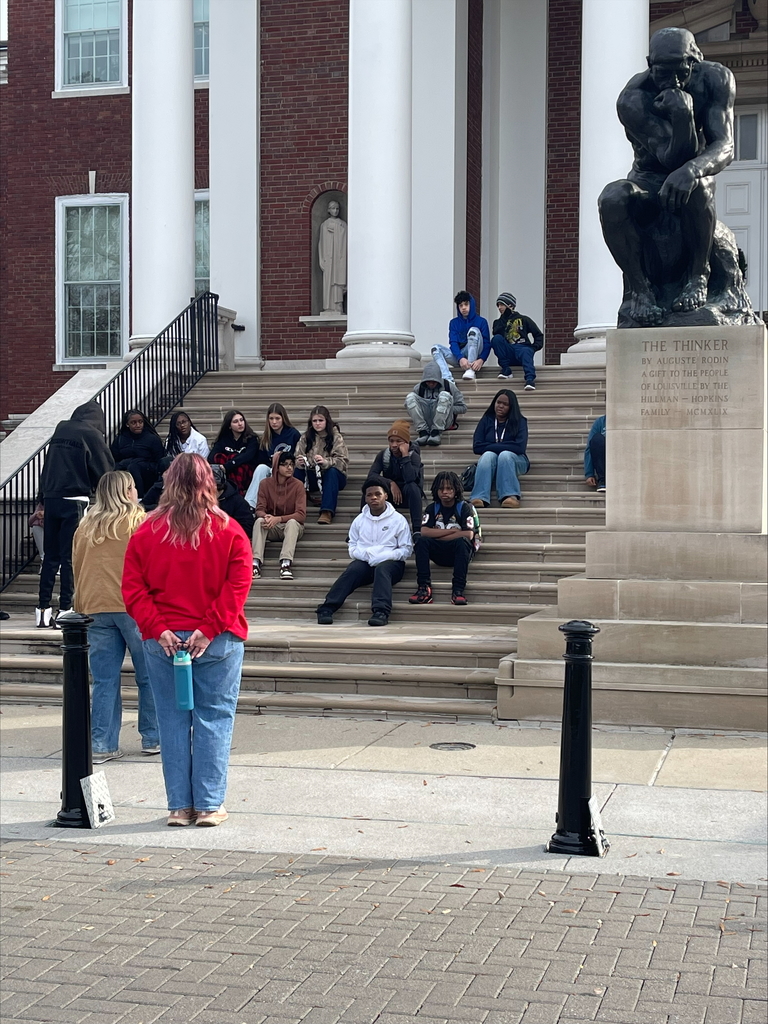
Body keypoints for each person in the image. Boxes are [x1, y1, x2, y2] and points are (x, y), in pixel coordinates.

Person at [122, 454, 252, 828]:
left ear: (168, 482)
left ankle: (179, 807)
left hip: (163, 638)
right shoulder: (229, 530)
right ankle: (209, 805)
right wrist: (209, 628)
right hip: (216, 639)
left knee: (171, 720)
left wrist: (157, 626)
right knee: (214, 718)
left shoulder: (146, 531)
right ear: (209, 483)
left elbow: (132, 587)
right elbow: (238, 585)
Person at [599, 28, 737, 325]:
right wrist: (683, 115)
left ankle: (698, 276)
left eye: (681, 72)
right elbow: (670, 157)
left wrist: (692, 169)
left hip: (692, 173)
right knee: (612, 198)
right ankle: (640, 290)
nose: (673, 81)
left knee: (698, 185)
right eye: (663, 73)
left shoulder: (716, 79)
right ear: (650, 64)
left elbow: (725, 146)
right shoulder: (632, 99)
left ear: (694, 61)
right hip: (648, 180)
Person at [72, 470, 159, 763]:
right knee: (149, 675)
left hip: (95, 605)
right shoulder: (139, 522)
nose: (136, 491)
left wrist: (80, 602)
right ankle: (153, 736)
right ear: (126, 492)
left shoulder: (85, 525)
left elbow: (76, 566)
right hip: (135, 606)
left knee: (104, 680)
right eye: (133, 487)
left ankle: (102, 743)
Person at [36, 400, 114, 628]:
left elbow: (48, 465)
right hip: (75, 499)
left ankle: (42, 609)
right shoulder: (90, 433)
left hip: (52, 497)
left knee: (50, 556)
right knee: (70, 556)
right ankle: (65, 609)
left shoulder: (61, 428)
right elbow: (105, 469)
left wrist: (41, 499)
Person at [316, 476, 412, 627]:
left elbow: (406, 549)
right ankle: (327, 608)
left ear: (386, 496)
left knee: (382, 569)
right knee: (353, 569)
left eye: (378, 494)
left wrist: (384, 556)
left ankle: (381, 612)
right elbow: (352, 545)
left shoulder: (398, 520)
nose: (374, 498)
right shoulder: (359, 520)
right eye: (369, 495)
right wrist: (366, 555)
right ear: (365, 498)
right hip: (366, 562)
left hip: (392, 564)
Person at [410, 471, 480, 607]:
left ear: (456, 490)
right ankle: (424, 587)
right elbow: (424, 532)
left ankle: (458, 590)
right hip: (439, 553)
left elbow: (468, 534)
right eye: (441, 489)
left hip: (459, 553)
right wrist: (453, 531)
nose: (445, 492)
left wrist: (438, 534)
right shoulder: (432, 508)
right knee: (421, 541)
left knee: (462, 542)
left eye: (449, 488)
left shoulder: (464, 508)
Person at [470, 389, 530, 509]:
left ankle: (510, 496)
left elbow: (519, 447)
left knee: (505, 455)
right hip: (492, 459)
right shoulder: (486, 420)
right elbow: (477, 447)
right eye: (498, 402)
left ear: (511, 407)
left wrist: (491, 446)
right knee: (487, 455)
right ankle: (479, 497)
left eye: (505, 404)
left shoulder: (520, 421)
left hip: (517, 460)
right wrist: (506, 445)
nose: (500, 406)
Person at [251, 451, 306, 580]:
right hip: (272, 527)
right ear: (276, 466)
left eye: (291, 464)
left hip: (292, 528)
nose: (289, 468)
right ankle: (255, 563)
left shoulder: (298, 485)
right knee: (259, 521)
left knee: (292, 522)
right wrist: (266, 517)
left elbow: (301, 515)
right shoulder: (265, 484)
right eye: (285, 464)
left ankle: (286, 564)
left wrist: (279, 519)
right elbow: (259, 509)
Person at [365, 420, 423, 534]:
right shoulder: (383, 455)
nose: (394, 445)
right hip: (389, 495)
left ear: (406, 442)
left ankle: (417, 529)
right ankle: (363, 525)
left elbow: (410, 478)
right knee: (370, 489)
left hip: (409, 496)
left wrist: (405, 456)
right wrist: (390, 483)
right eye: (391, 441)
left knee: (412, 486)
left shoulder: (414, 456)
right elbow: (371, 476)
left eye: (398, 441)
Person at [294, 405, 348, 524]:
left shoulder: (336, 437)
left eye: (320, 420)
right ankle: (294, 507)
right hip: (312, 475)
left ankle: (326, 511)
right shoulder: (305, 437)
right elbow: (297, 456)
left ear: (327, 421)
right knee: (296, 471)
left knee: (332, 472)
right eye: (315, 421)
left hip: (333, 477)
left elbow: (342, 462)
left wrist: (325, 462)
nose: (317, 423)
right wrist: (300, 462)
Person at [244, 404, 301, 509]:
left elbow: (298, 455)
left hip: (288, 469)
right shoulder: (266, 437)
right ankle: (249, 505)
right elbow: (261, 460)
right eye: (271, 418)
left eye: (277, 418)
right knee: (261, 468)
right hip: (271, 469)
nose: (274, 422)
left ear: (283, 418)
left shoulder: (293, 434)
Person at [404, 359, 467, 447]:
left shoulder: (449, 386)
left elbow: (463, 408)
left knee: (444, 395)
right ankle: (423, 432)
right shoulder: (419, 388)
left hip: (444, 420)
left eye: (434, 382)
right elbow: (409, 406)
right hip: (426, 419)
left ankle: (436, 432)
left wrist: (447, 407)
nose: (431, 384)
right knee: (410, 397)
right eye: (428, 381)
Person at [431, 291, 491, 381]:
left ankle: (470, 370)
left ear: (471, 305)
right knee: (435, 348)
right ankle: (447, 378)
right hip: (459, 356)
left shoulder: (482, 321)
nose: (463, 308)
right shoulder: (454, 323)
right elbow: (453, 343)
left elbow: (487, 344)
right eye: (460, 305)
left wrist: (481, 359)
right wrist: (460, 358)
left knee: (473, 331)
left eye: (466, 304)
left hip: (475, 355)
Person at [490, 292, 544, 391]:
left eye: (502, 305)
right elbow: (497, 334)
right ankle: (506, 369)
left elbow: (538, 335)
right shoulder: (498, 322)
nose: (499, 307)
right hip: (509, 352)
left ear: (510, 305)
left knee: (526, 350)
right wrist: (505, 319)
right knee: (496, 339)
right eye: (498, 305)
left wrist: (533, 348)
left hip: (522, 350)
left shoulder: (524, 319)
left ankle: (530, 379)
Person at [110, 409, 164, 498]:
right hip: (125, 471)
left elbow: (159, 461)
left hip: (147, 472)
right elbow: (113, 459)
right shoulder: (120, 439)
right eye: (133, 423)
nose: (138, 425)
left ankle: (139, 497)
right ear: (127, 424)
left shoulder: (152, 439)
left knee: (134, 466)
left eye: (140, 422)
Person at [208, 409, 259, 497]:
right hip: (228, 473)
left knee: (237, 464)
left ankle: (235, 494)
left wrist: (228, 465)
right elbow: (211, 457)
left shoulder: (252, 438)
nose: (240, 423)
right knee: (220, 457)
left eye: (241, 420)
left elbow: (247, 456)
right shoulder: (224, 439)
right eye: (235, 421)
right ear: (229, 426)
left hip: (246, 472)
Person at [318, 199, 347, 313]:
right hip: (329, 258)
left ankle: (338, 305)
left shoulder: (342, 224)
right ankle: (328, 306)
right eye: (333, 208)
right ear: (328, 210)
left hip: (339, 258)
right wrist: (321, 259)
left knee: (338, 280)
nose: (335, 211)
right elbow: (321, 243)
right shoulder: (324, 225)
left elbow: (346, 241)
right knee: (328, 280)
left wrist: (338, 230)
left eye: (337, 209)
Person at [584, 415, 606, 492]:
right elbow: (589, 448)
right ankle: (603, 480)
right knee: (597, 438)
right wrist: (589, 474)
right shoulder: (600, 422)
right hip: (605, 459)